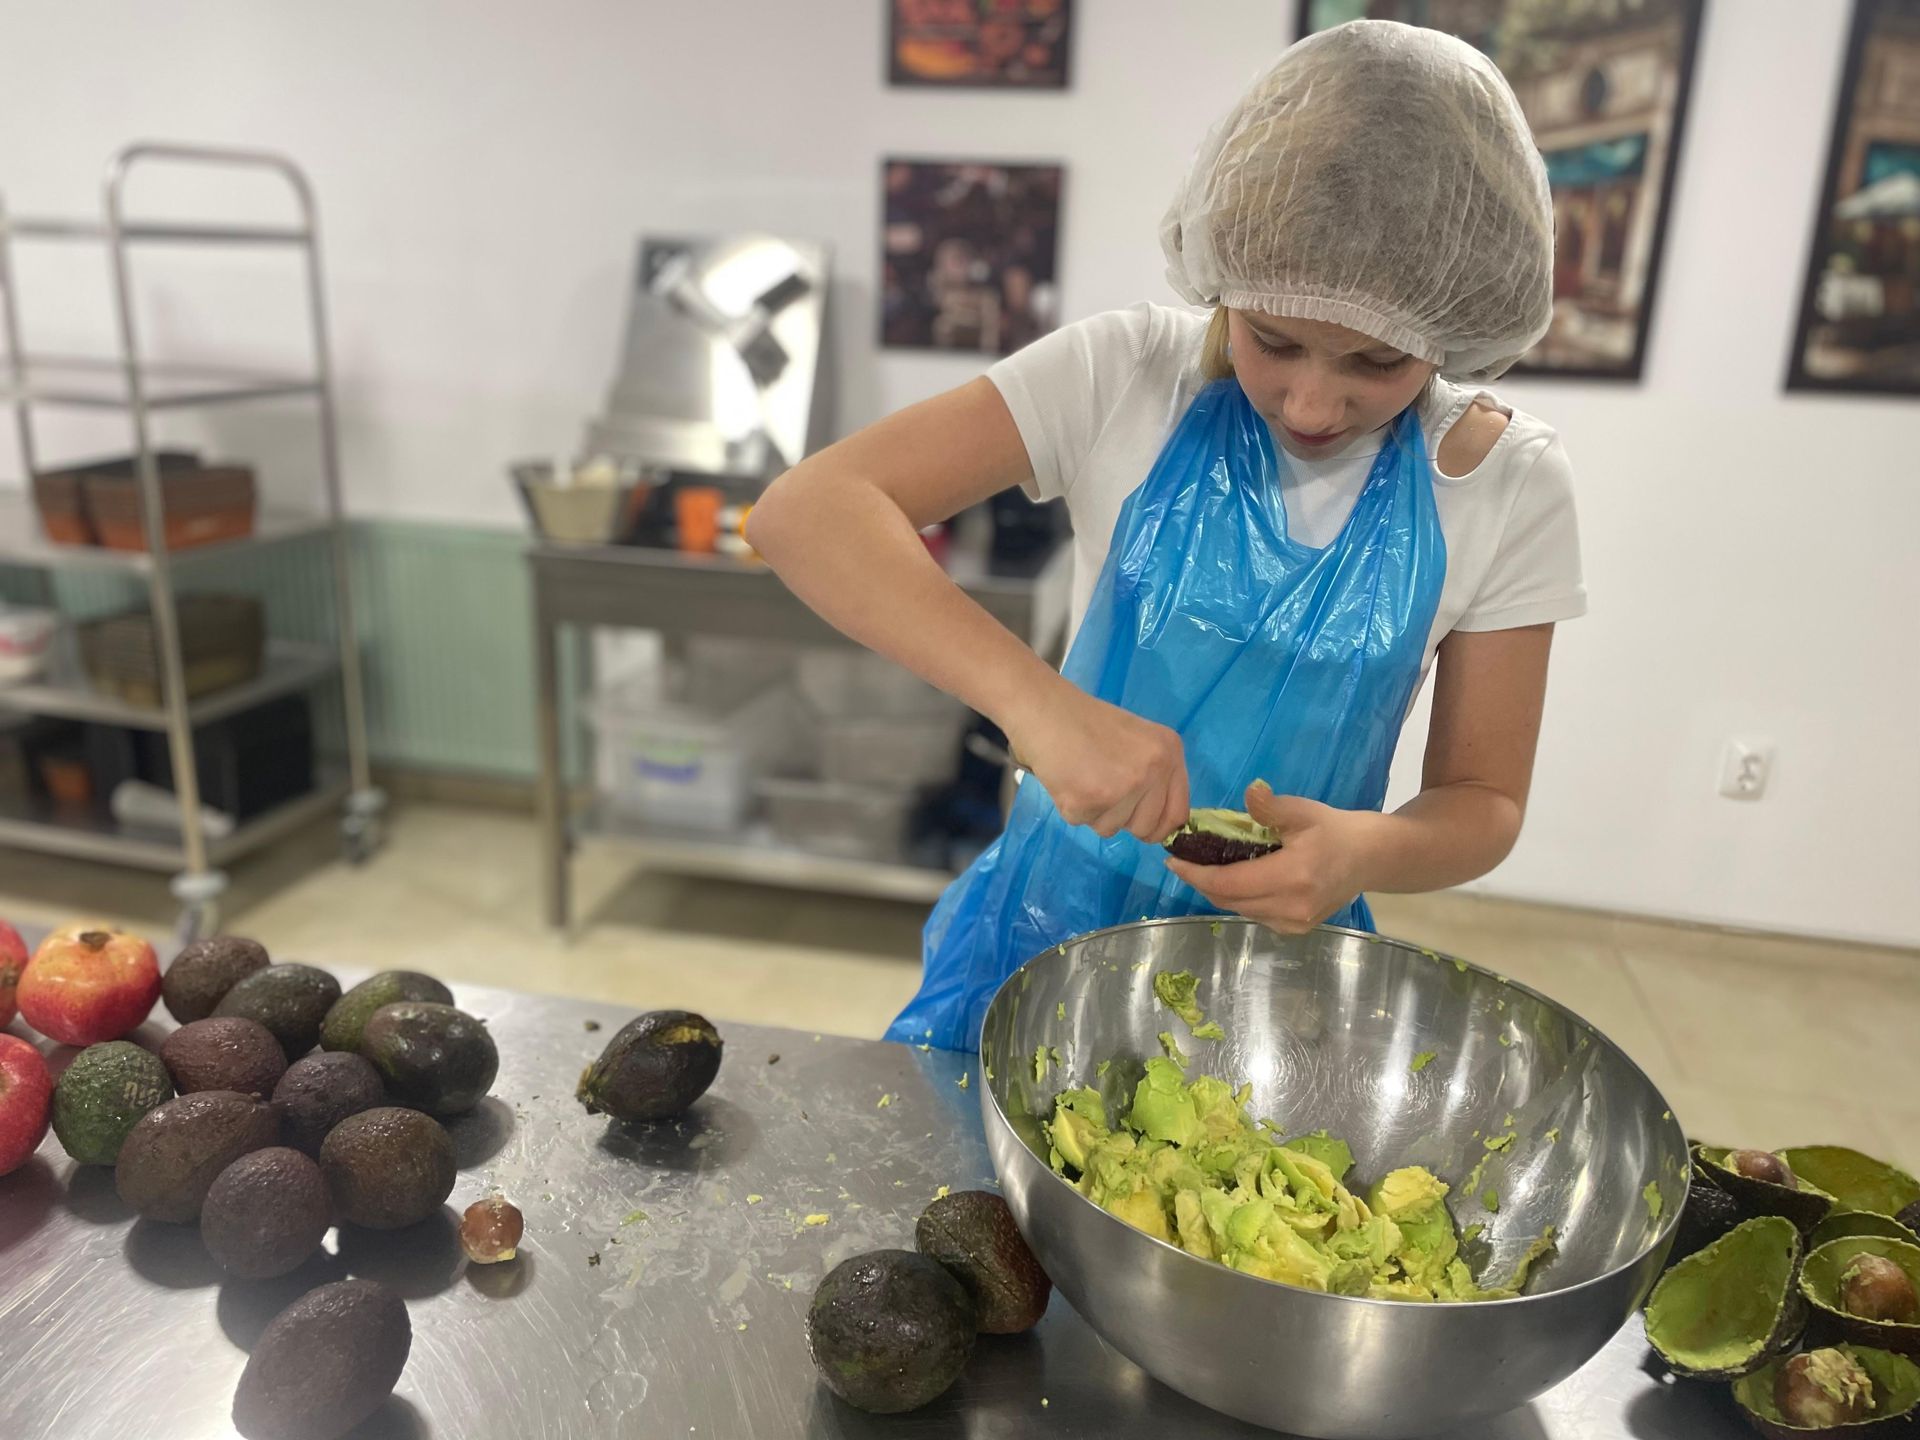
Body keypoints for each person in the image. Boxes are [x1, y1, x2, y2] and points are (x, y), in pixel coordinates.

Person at [748, 20, 1584, 1051]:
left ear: (1451, 339)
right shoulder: (1124, 378)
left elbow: (1484, 800)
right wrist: (1038, 707)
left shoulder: (1508, 483)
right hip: (1036, 933)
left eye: (1378, 364)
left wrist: (1362, 852)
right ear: (1222, 280)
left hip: (1275, 973)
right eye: (1273, 339)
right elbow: (808, 511)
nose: (1315, 403)